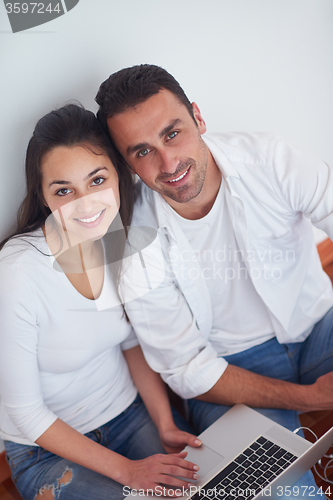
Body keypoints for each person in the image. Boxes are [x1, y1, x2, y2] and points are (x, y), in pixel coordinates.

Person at [95, 64, 333, 496]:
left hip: (318, 325)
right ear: (127, 164)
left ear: (198, 118)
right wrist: (309, 399)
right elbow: (188, 368)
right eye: (142, 151)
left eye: (172, 133)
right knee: (280, 490)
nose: (168, 164)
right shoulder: (128, 241)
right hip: (230, 371)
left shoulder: (269, 159)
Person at [0, 104, 202, 500]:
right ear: (42, 196)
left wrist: (163, 422)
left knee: (203, 491)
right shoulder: (17, 273)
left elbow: (129, 342)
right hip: (45, 450)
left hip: (129, 414)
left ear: (118, 174)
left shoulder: (119, 240)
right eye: (63, 190)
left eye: (96, 180)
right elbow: (26, 413)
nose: (86, 204)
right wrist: (129, 471)